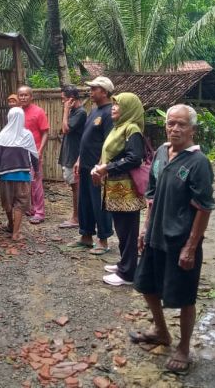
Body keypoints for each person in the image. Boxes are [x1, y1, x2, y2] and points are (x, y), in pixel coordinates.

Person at [131, 104, 214, 374]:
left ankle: (184, 348)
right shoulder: (160, 153)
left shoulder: (198, 162)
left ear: (193, 128)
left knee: (185, 296)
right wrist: (145, 229)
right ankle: (161, 331)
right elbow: (152, 195)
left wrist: (191, 246)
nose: (175, 128)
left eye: (182, 124)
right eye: (171, 123)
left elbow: (204, 207)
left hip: (180, 241)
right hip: (156, 234)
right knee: (147, 285)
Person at [92, 92, 145, 286]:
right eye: (113, 104)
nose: (114, 108)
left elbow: (135, 158)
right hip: (115, 187)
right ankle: (125, 263)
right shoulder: (118, 127)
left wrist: (108, 168)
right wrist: (100, 167)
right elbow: (109, 155)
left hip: (126, 190)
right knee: (122, 230)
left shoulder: (131, 129)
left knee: (128, 231)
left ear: (129, 109)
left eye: (118, 105)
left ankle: (128, 273)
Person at [71, 76, 115, 255]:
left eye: (94, 88)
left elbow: (109, 142)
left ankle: (103, 241)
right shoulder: (94, 111)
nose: (91, 91)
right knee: (85, 202)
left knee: (99, 203)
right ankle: (86, 236)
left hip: (98, 168)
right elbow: (86, 139)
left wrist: (101, 166)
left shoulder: (109, 113)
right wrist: (79, 159)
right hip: (85, 165)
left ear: (104, 92)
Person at [0, 107, 39, 241]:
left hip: (5, 175)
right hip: (23, 176)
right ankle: (16, 233)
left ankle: (11, 224)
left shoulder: (3, 134)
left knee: (8, 202)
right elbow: (34, 154)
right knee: (20, 203)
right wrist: (37, 170)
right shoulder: (27, 134)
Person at [17, 85, 49, 224]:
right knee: (24, 182)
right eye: (21, 95)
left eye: (26, 95)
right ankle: (30, 208)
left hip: (34, 152)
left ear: (31, 97)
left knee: (36, 182)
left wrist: (40, 151)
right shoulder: (17, 113)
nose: (23, 97)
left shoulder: (38, 112)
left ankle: (39, 212)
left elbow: (45, 133)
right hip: (20, 153)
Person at [58, 85, 86, 229]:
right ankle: (76, 216)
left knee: (76, 187)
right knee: (74, 187)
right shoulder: (74, 112)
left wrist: (65, 110)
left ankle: (77, 218)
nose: (63, 102)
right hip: (70, 154)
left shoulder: (80, 113)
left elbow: (65, 129)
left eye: (64, 100)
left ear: (71, 99)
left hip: (75, 156)